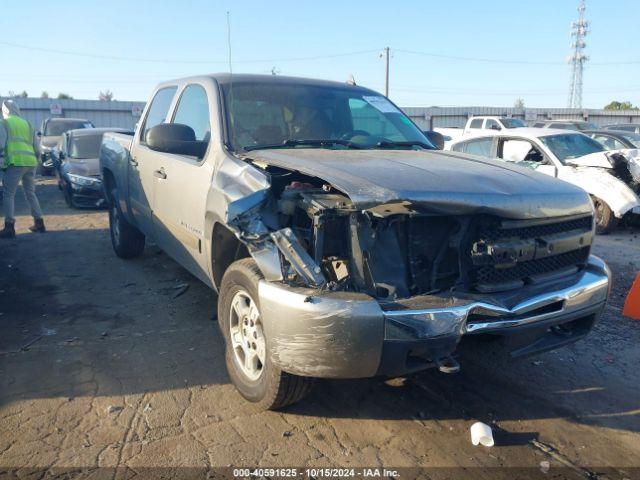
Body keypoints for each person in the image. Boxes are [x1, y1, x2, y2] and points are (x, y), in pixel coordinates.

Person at [0, 100, 45, 239]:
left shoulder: (4, 123)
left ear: (5, 110)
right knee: (30, 193)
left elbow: (1, 144)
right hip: (31, 163)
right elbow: (37, 148)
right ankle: (39, 223)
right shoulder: (27, 124)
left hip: (14, 163)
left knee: (9, 194)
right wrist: (37, 160)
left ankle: (9, 227)